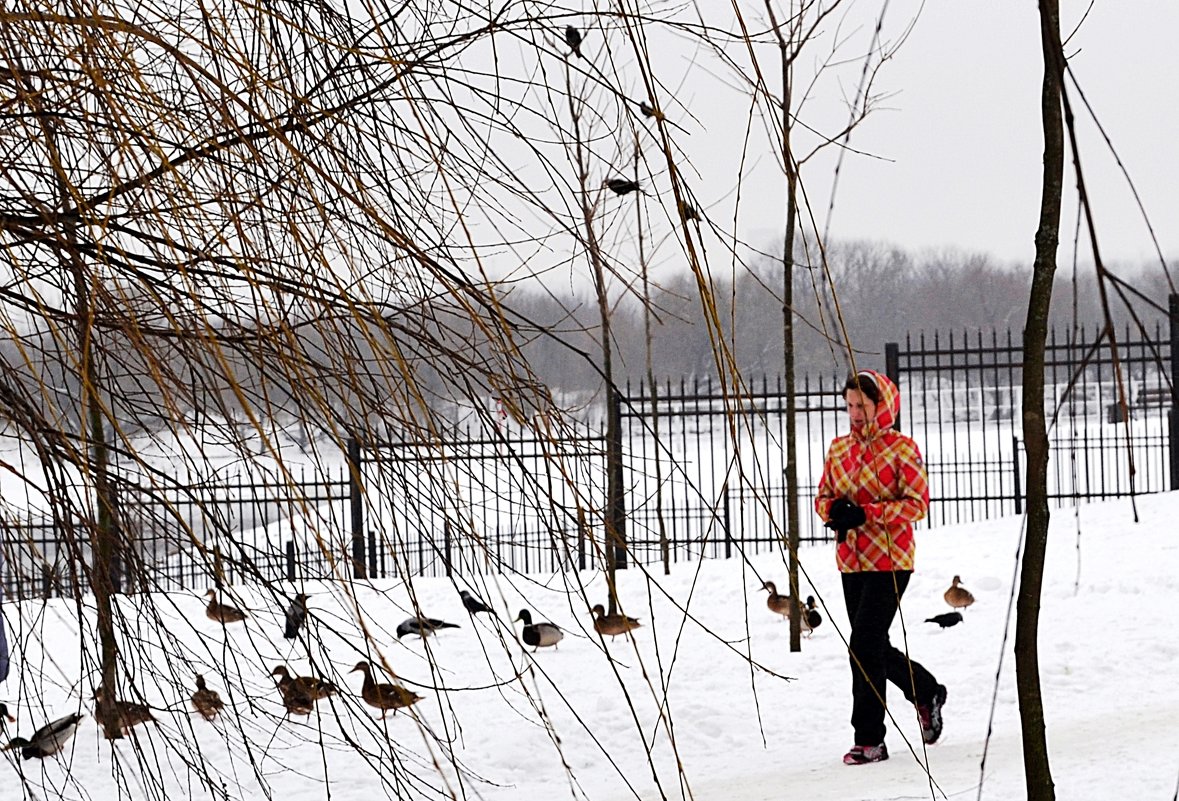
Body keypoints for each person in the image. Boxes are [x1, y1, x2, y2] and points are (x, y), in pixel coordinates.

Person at [815, 370, 947, 765]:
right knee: (868, 646)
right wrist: (833, 510)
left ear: (883, 405)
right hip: (851, 561)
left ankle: (870, 737)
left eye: (862, 406)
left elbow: (917, 504)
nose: (855, 413)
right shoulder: (838, 449)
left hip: (891, 559)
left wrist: (866, 514)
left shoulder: (901, 449)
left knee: (864, 644)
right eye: (850, 405)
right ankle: (924, 693)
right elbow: (824, 495)